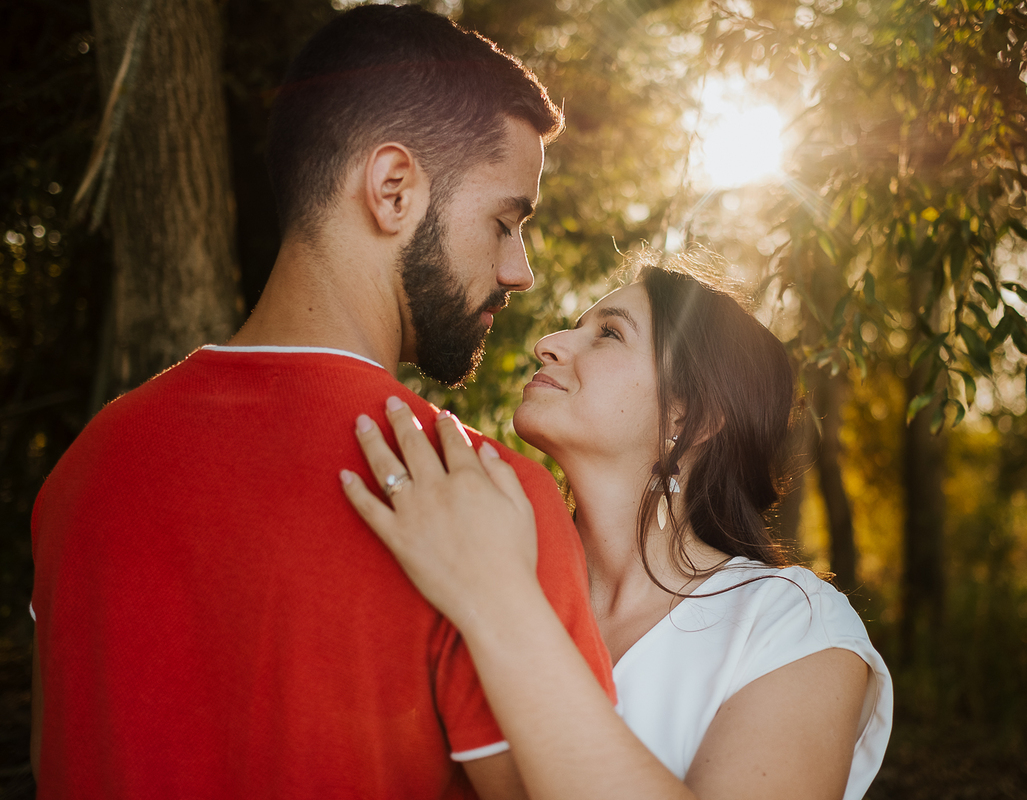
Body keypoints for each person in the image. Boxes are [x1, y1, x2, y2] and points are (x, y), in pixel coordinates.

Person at [29, 5, 614, 798]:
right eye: (505, 222)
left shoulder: (84, 471)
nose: (520, 271)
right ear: (393, 189)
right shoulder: (485, 498)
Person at [342, 254, 894, 800]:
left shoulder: (793, 623)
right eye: (577, 326)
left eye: (608, 334)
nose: (548, 343)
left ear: (688, 415)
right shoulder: (474, 557)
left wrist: (498, 601)